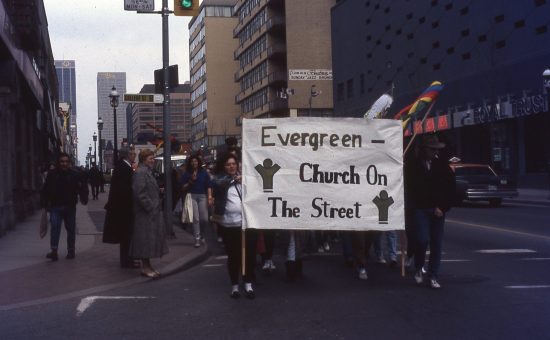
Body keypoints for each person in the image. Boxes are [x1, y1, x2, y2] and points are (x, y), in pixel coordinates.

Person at [404, 134, 455, 289]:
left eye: (436, 150)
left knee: (436, 244)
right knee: (422, 240)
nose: (434, 152)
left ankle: (433, 275)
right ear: (424, 150)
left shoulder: (443, 166)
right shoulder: (413, 165)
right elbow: (408, 187)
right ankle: (419, 267)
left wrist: (443, 207)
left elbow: (450, 189)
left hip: (437, 210)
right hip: (420, 209)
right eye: (432, 149)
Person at [212, 153, 257, 299]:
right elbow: (217, 185)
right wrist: (234, 180)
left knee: (248, 255)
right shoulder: (219, 178)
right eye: (228, 164)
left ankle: (248, 284)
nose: (231, 166)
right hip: (228, 224)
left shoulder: (245, 179)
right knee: (233, 256)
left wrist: (244, 180)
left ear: (237, 165)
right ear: (223, 167)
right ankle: (234, 286)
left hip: (245, 224)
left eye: (233, 164)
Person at [41, 152, 88, 261]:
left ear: (69, 163)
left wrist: (83, 197)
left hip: (70, 206)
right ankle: (54, 251)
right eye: (62, 161)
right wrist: (44, 202)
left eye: (66, 161)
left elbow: (81, 187)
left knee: (71, 229)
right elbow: (46, 189)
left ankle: (71, 250)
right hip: (55, 206)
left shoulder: (74, 174)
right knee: (55, 228)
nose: (64, 164)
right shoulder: (52, 174)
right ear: (59, 162)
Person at [129, 149, 168, 278]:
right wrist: (150, 207)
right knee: (145, 240)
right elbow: (140, 193)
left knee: (148, 240)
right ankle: (145, 267)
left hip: (150, 213)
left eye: (153, 158)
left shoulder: (146, 172)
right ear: (144, 159)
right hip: (145, 214)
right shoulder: (141, 172)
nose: (153, 160)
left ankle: (148, 266)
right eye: (151, 158)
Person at [103, 147, 138, 268]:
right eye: (133, 153)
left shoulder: (122, 166)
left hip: (122, 206)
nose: (135, 155)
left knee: (126, 235)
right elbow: (125, 188)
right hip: (124, 207)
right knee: (126, 235)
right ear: (127, 155)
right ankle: (127, 261)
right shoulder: (125, 168)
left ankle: (128, 259)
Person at [180, 154, 213, 247]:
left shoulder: (204, 173)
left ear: (198, 162)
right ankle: (197, 239)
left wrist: (210, 197)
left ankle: (202, 235)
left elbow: (209, 185)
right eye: (192, 161)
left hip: (203, 196)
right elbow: (183, 187)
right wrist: (191, 181)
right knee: (196, 218)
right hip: (192, 196)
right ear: (190, 163)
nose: (194, 163)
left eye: (195, 161)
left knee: (204, 219)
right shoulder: (186, 173)